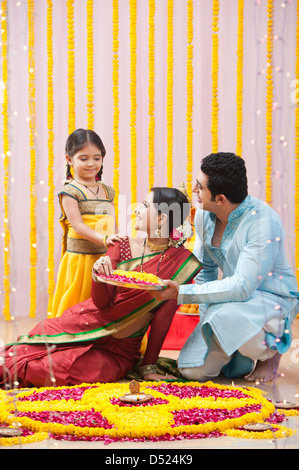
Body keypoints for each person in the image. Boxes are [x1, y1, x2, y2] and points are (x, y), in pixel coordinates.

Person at [0, 187, 201, 388]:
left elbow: (162, 318)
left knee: (53, 369)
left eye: (146, 206)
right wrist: (99, 278)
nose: (137, 210)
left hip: (117, 351)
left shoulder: (182, 263)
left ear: (161, 219)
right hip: (85, 323)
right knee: (22, 352)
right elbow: (102, 303)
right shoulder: (121, 245)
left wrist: (148, 365)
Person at [150, 153, 299, 383]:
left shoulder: (263, 222)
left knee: (228, 317)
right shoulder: (203, 214)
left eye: (199, 187)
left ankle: (270, 354)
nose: (194, 190)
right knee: (192, 370)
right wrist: (205, 323)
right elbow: (205, 273)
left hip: (270, 300)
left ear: (220, 198)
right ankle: (237, 352)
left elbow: (242, 287)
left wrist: (180, 293)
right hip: (231, 302)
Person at [50, 128, 124, 318]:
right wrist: (105, 239)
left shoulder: (108, 191)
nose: (91, 164)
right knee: (79, 307)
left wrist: (116, 243)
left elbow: (111, 221)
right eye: (83, 159)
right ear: (69, 159)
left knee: (106, 307)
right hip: (81, 261)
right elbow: (78, 225)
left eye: (97, 158)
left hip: (105, 258)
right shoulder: (70, 192)